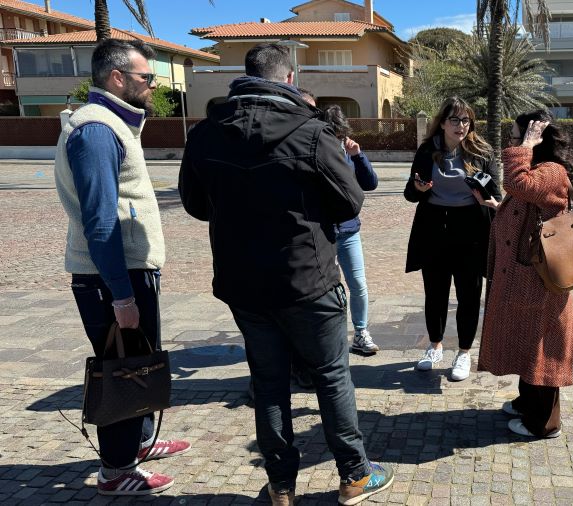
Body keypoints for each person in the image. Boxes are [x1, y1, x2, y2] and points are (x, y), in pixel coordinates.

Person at [178, 43, 393, 506]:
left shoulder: (206, 134)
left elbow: (196, 204)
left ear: (244, 76)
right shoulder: (311, 133)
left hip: (244, 285)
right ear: (290, 79)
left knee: (269, 383)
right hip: (308, 281)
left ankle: (281, 486)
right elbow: (350, 200)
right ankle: (354, 474)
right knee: (332, 376)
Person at [54, 38, 190, 496]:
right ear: (117, 78)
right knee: (123, 370)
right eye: (146, 78)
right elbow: (100, 220)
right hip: (113, 278)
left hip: (128, 272)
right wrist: (122, 295)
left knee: (139, 362)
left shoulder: (113, 124)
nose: (153, 85)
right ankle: (116, 470)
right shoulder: (96, 130)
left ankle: (138, 443)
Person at [477, 110, 573, 438]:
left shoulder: (551, 171)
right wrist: (503, 208)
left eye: (516, 137)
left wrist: (524, 145)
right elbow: (526, 199)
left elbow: (517, 183)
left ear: (536, 141)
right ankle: (528, 403)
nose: (512, 144)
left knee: (542, 347)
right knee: (527, 344)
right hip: (528, 276)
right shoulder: (540, 170)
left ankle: (544, 422)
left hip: (540, 281)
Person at [403, 96, 501, 381]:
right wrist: (419, 188)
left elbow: (496, 193)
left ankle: (464, 353)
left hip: (472, 230)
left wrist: (487, 198)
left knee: (469, 295)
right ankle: (434, 347)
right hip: (433, 228)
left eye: (466, 120)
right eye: (455, 120)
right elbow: (410, 194)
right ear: (443, 123)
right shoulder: (426, 150)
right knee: (435, 292)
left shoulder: (481, 151)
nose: (461, 126)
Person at [319, 104, 380, 354]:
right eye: (334, 136)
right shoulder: (317, 153)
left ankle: (361, 332)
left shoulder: (348, 153)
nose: (339, 141)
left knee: (358, 284)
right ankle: (325, 338)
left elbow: (370, 183)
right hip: (322, 233)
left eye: (341, 136)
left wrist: (358, 155)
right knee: (321, 287)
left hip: (349, 231)